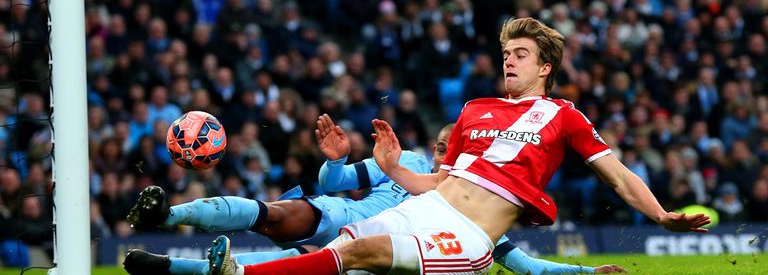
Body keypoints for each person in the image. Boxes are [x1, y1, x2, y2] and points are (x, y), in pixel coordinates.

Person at [207, 17, 709, 275]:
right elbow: (440, 182)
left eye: (521, 55)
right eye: (506, 53)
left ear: (545, 68)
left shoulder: (563, 115)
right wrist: (391, 168)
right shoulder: (474, 109)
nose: (509, 61)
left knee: (363, 253)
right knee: (342, 250)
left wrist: (662, 217)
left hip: (470, 236)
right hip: (427, 209)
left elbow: (619, 177)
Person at [124, 115, 622, 274]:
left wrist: (583, 271)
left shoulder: (471, 201)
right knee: (271, 213)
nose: (453, 154)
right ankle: (168, 213)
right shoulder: (407, 163)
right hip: (343, 214)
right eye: (446, 147)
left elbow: (525, 265)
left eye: (462, 147)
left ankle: (168, 267)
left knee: (299, 263)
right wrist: (338, 158)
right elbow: (335, 183)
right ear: (434, 148)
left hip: (381, 245)